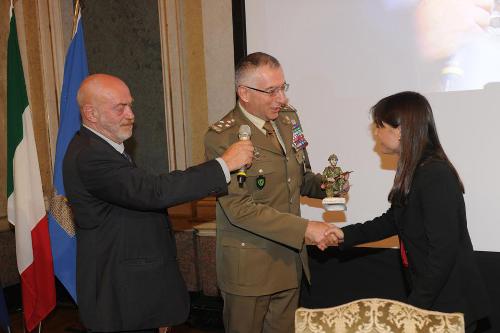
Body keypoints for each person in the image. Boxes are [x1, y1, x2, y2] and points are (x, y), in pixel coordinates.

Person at [63, 74, 254, 333]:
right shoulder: (90, 155)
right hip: (120, 301)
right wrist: (224, 164)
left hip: (136, 297)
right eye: (120, 107)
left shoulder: (106, 149)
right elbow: (153, 192)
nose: (131, 114)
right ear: (91, 113)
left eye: (130, 105)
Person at [204, 52, 343, 333]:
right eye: (272, 91)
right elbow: (239, 208)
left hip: (289, 263)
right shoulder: (223, 137)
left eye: (283, 88)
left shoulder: (289, 121)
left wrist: (328, 184)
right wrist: (306, 228)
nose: (282, 99)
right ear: (244, 93)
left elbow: (300, 178)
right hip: (250, 270)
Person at [339, 91, 490, 332]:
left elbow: (443, 252)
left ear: (399, 130)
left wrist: (415, 308)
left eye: (380, 126)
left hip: (449, 306)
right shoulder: (415, 169)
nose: (376, 133)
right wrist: (342, 235)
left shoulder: (435, 175)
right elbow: (393, 221)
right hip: (435, 301)